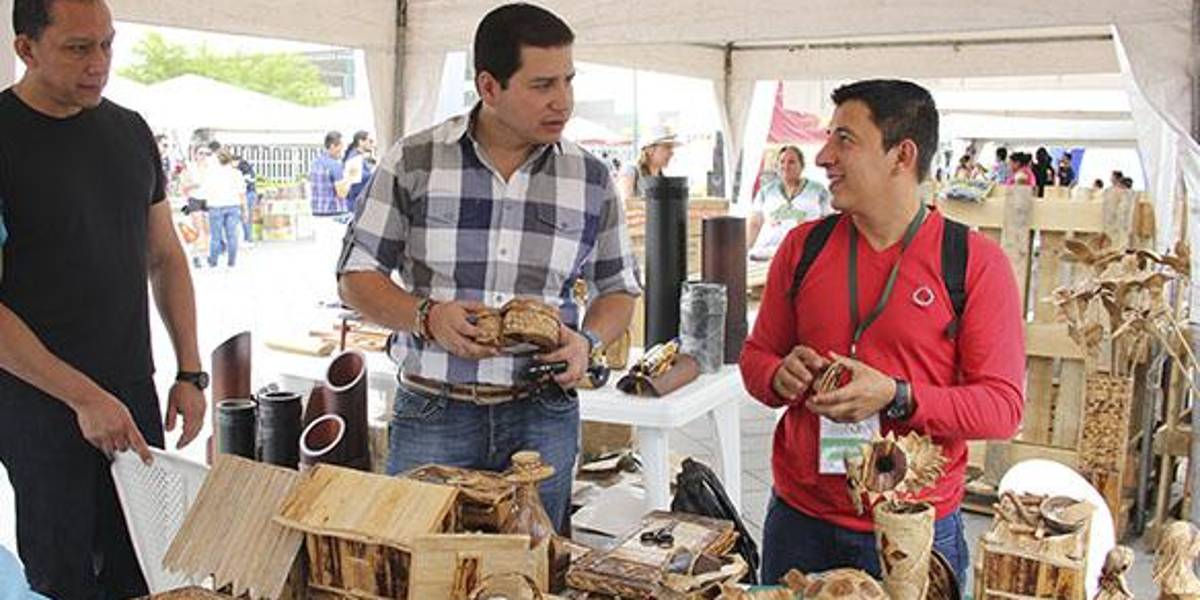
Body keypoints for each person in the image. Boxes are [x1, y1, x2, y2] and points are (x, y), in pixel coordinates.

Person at [337, 3, 641, 533]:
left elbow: (618, 288)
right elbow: (355, 277)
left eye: (568, 80)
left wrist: (586, 342)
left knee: (534, 567)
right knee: (418, 563)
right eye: (542, 85)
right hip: (434, 412)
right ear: (489, 86)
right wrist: (428, 317)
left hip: (543, 415)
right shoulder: (414, 161)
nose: (563, 101)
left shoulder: (590, 177)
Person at [739, 79, 1024, 587]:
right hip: (800, 522)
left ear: (902, 155)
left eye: (845, 139)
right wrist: (778, 375)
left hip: (912, 530)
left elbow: (1002, 408)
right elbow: (756, 357)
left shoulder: (973, 262)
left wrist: (897, 396)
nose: (823, 156)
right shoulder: (802, 248)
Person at [0, 0, 207, 596]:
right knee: (63, 576)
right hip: (40, 402)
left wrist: (189, 371)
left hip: (131, 390)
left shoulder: (130, 131)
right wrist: (84, 397)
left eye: (107, 44)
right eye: (77, 48)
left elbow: (165, 256)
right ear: (26, 49)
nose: (99, 63)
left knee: (147, 566)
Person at [747, 146, 832, 261]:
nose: (785, 166)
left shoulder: (818, 190)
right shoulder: (766, 191)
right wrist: (745, 250)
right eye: (782, 162)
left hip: (804, 254)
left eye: (791, 162)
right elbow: (754, 224)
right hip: (766, 253)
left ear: (802, 166)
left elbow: (828, 224)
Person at [205, 149, 247, 268]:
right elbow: (241, 193)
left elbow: (206, 190)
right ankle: (231, 261)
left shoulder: (211, 173)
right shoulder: (236, 173)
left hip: (215, 206)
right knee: (232, 235)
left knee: (215, 236)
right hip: (233, 205)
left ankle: (213, 261)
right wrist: (245, 210)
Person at [617, 125, 682, 200]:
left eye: (672, 148)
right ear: (650, 150)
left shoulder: (662, 179)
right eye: (667, 147)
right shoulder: (630, 170)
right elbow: (625, 203)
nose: (672, 152)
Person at [309, 130, 347, 217]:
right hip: (333, 213)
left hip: (317, 212)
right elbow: (342, 193)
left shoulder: (315, 163)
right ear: (332, 146)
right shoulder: (335, 165)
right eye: (341, 146)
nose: (342, 150)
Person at [341, 130, 376, 213]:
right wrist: (374, 173)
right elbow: (355, 178)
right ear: (361, 142)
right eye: (370, 141)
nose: (372, 144)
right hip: (356, 203)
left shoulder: (360, 158)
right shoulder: (354, 158)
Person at [235, 154, 257, 243]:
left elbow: (242, 184)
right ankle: (249, 237)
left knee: (244, 215)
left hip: (246, 193)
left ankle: (247, 237)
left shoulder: (241, 169)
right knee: (248, 216)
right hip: (252, 193)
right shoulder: (249, 168)